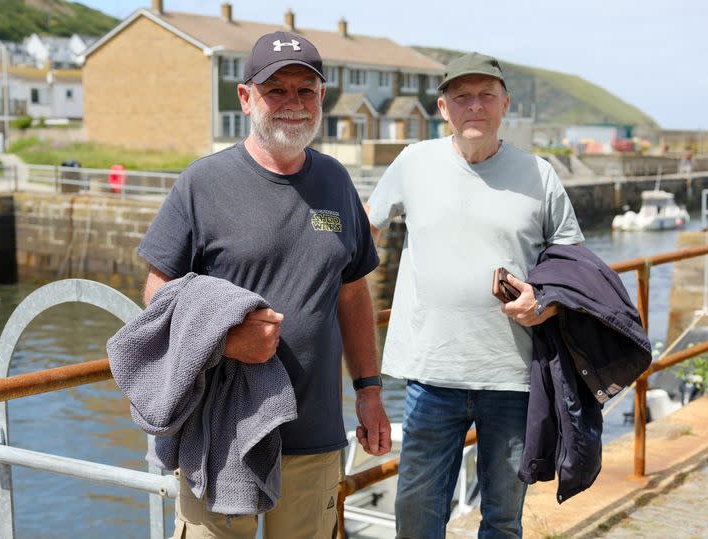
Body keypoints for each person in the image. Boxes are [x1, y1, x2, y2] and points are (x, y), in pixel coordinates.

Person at [138, 31, 391, 539]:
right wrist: (226, 338)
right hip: (221, 432)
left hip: (314, 433)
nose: (292, 104)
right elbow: (156, 295)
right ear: (246, 96)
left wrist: (368, 390)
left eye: (306, 90)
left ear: (322, 97)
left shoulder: (337, 182)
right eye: (276, 90)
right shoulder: (202, 183)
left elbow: (352, 293)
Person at [366, 52, 584, 538]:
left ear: (505, 104)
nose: (475, 107)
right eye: (462, 97)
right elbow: (365, 230)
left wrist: (543, 300)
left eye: (486, 95)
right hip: (431, 373)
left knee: (503, 520)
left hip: (512, 375)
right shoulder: (413, 162)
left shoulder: (539, 174)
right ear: (443, 107)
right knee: (418, 517)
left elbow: (575, 265)